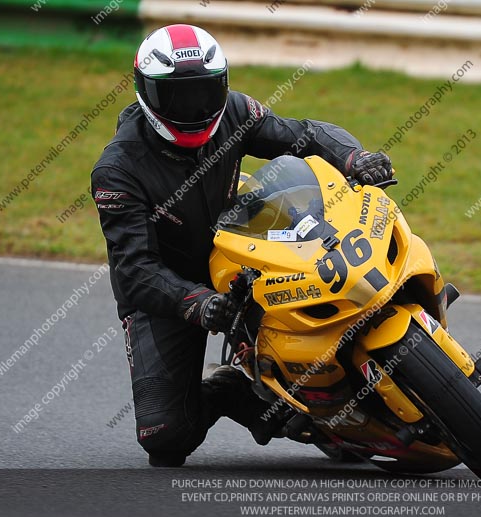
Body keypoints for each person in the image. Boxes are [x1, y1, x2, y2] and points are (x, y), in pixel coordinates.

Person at [91, 24, 394, 467]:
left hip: (240, 253)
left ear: (223, 85)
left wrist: (353, 157)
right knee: (165, 437)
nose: (194, 109)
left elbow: (302, 134)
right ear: (146, 93)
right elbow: (135, 270)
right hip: (170, 291)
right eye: (177, 97)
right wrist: (198, 304)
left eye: (205, 92)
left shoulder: (233, 112)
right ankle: (236, 387)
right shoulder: (117, 170)